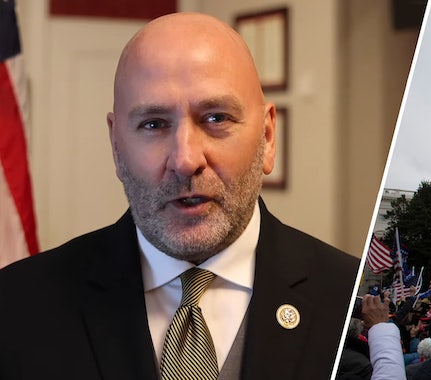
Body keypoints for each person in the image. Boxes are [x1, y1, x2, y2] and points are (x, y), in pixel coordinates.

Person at [0, 12, 359, 380]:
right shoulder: (16, 308)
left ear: (267, 138)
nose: (186, 160)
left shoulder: (346, 296)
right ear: (116, 145)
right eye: (153, 124)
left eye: (216, 118)